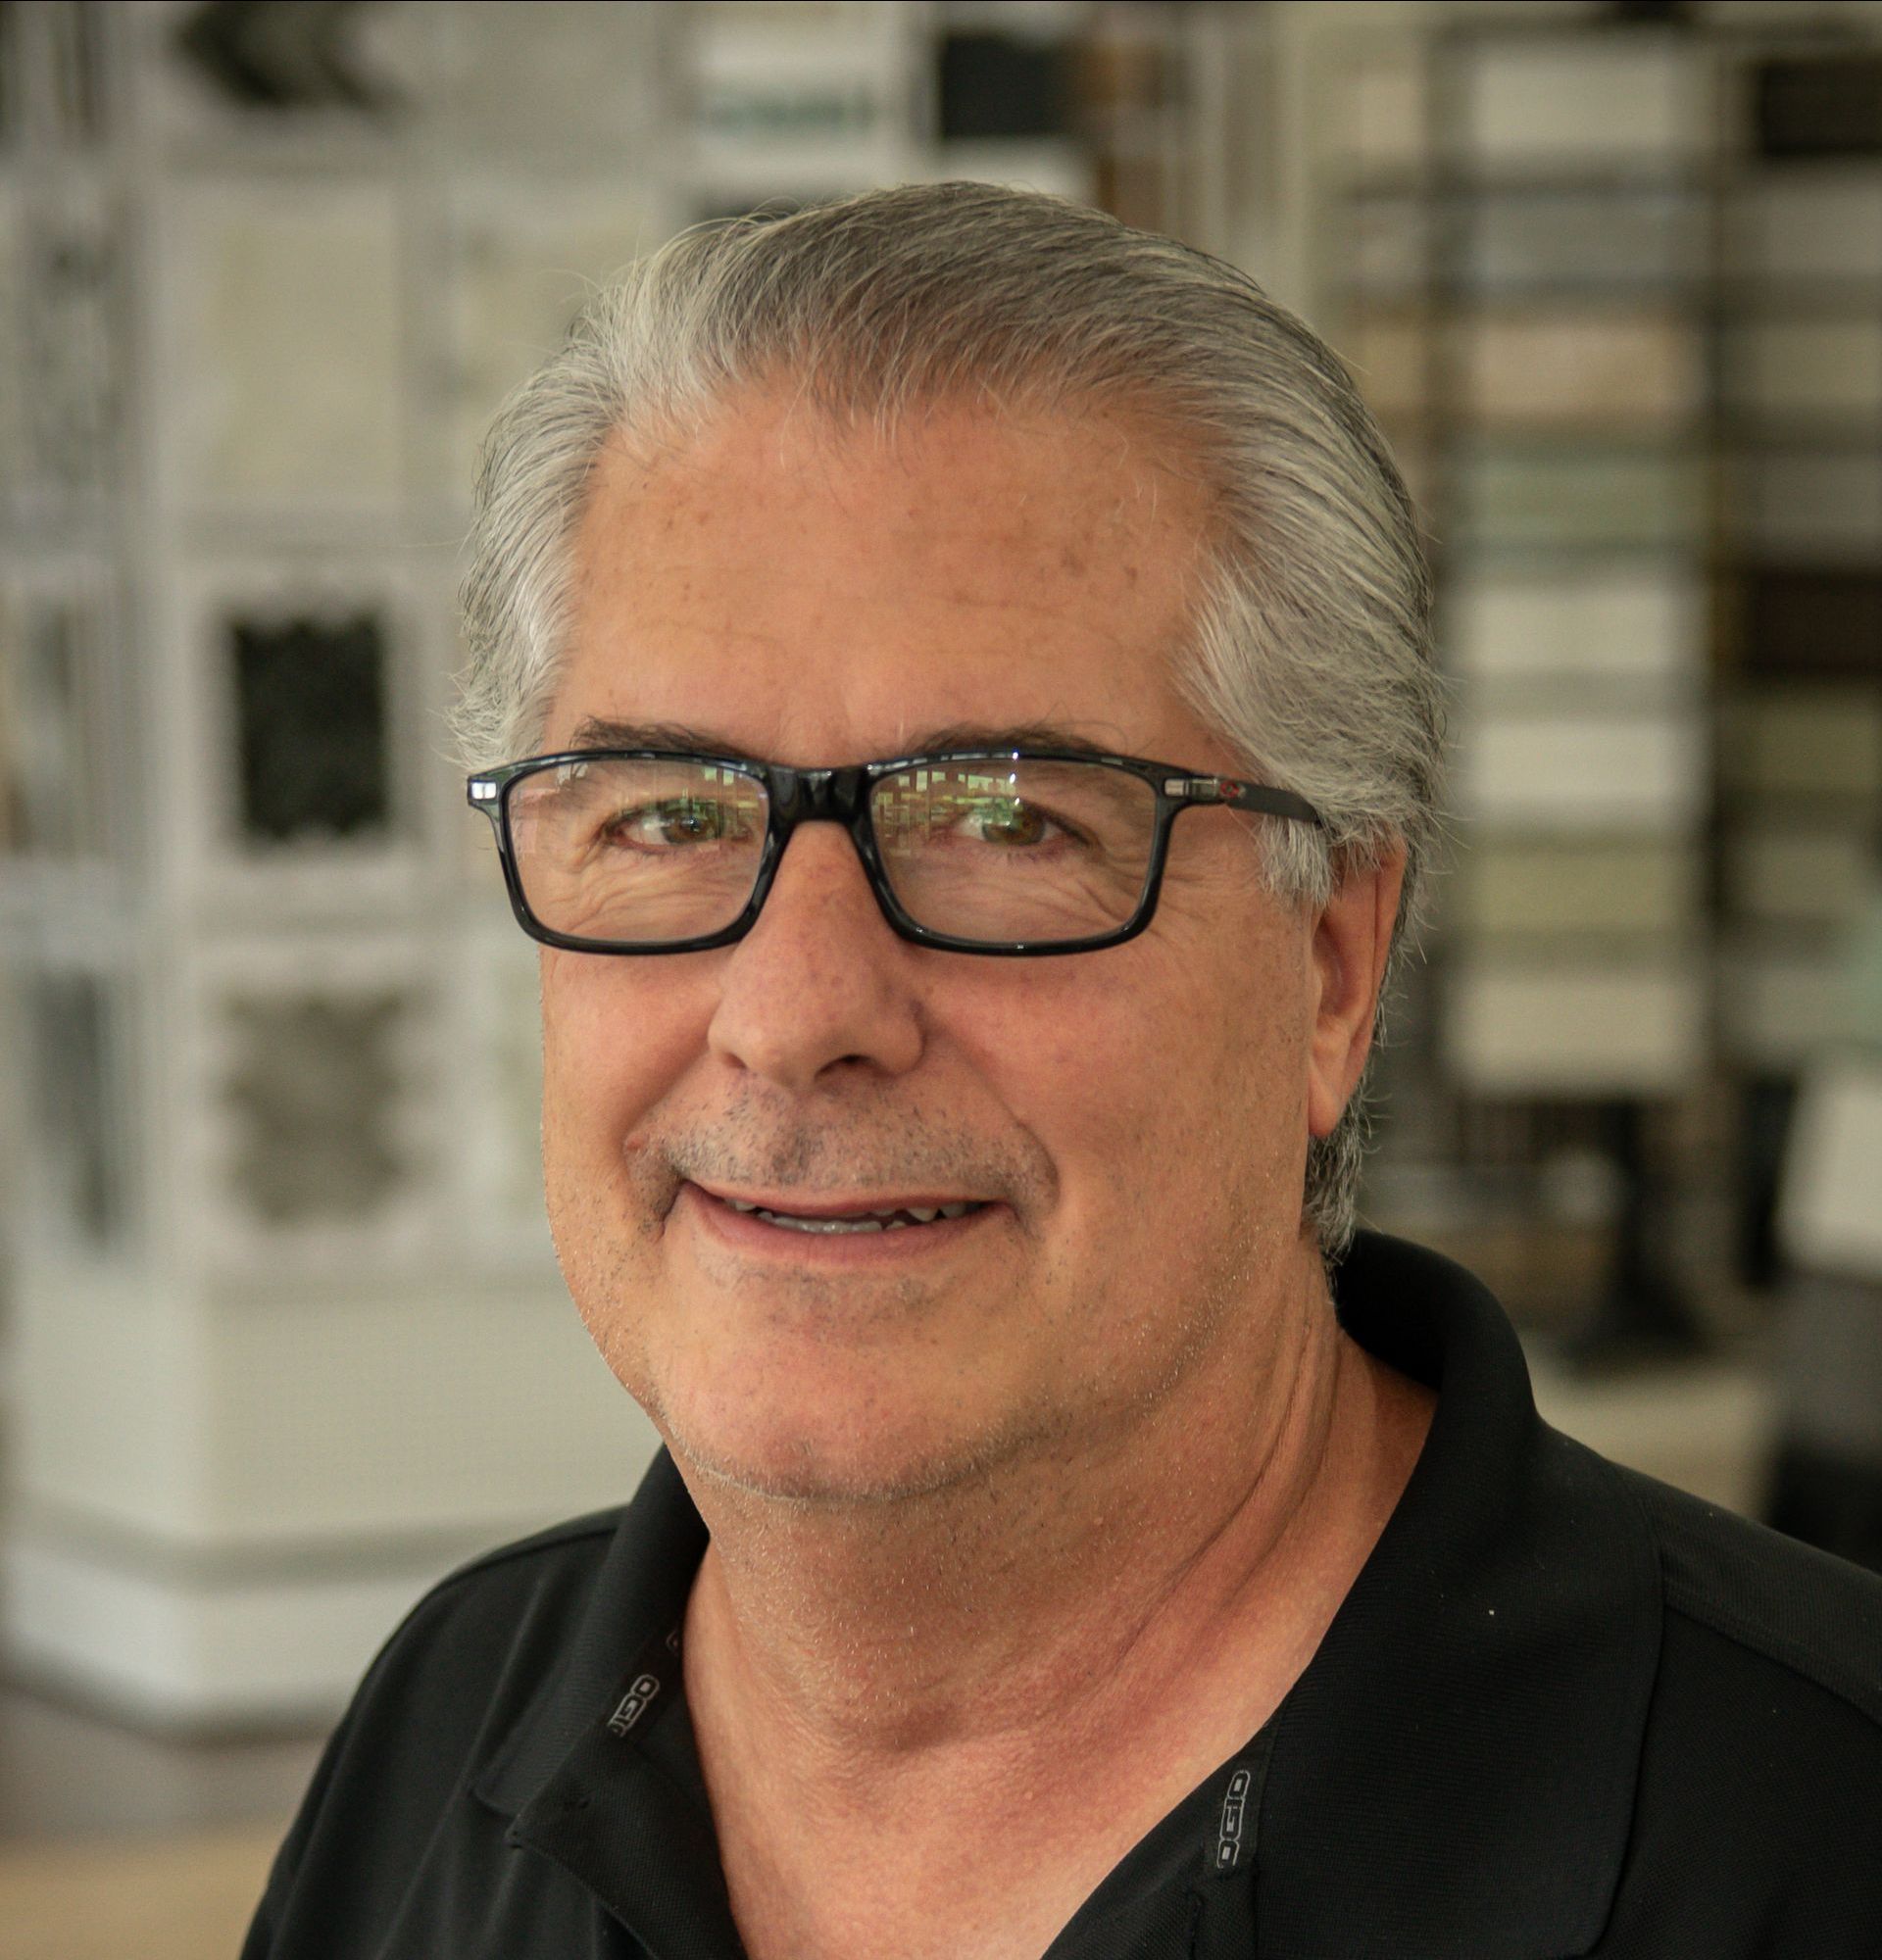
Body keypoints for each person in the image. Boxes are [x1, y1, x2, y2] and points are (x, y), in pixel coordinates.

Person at [243, 183, 1882, 1960]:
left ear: (1330, 963)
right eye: (669, 813)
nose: (792, 1011)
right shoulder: (446, 1718)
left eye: (1002, 819)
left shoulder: (1817, 1836)